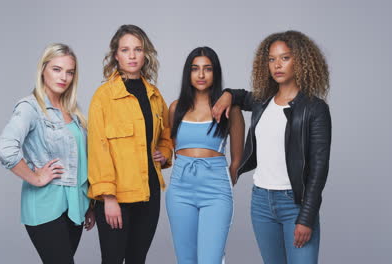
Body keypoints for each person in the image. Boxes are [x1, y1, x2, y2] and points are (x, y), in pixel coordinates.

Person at [213, 30, 331, 264]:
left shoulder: (314, 108)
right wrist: (227, 94)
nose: (277, 65)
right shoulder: (262, 101)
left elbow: (319, 169)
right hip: (261, 203)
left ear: (301, 61)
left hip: (295, 204)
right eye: (272, 59)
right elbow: (239, 96)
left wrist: (306, 217)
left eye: (285, 58)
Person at [0, 43, 94, 264]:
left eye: (70, 72)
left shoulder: (73, 111)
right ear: (43, 69)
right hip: (45, 206)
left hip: (75, 206)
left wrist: (89, 204)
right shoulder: (30, 107)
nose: (64, 77)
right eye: (57, 69)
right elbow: (6, 149)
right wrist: (35, 177)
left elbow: (81, 161)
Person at [87, 24, 173, 264]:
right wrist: (109, 198)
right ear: (116, 55)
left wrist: (165, 152)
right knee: (113, 259)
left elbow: (167, 132)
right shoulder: (103, 96)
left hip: (149, 193)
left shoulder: (154, 95)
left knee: (138, 259)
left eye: (138, 49)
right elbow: (98, 149)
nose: (132, 56)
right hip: (117, 197)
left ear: (145, 54)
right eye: (126, 50)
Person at [166, 47, 244, 264]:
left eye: (207, 69)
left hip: (215, 190)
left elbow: (237, 160)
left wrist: (220, 179)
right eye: (195, 69)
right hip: (180, 190)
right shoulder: (176, 108)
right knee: (186, 259)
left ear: (215, 73)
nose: (201, 75)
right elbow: (174, 149)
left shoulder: (230, 110)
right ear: (188, 74)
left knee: (210, 259)